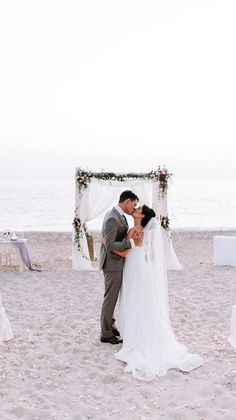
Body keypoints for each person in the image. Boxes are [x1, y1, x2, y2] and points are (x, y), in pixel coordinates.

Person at [114, 205, 204, 380]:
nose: (135, 209)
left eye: (138, 209)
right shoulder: (138, 229)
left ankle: (137, 335)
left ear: (142, 216)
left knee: (136, 301)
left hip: (136, 269)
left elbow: (125, 252)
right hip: (139, 268)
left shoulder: (137, 230)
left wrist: (107, 245)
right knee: (141, 302)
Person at [99, 190, 142, 345]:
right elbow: (110, 244)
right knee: (110, 299)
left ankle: (110, 325)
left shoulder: (119, 215)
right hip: (112, 263)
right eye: (134, 204)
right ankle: (106, 333)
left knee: (112, 297)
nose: (134, 208)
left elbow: (110, 239)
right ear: (127, 201)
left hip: (117, 261)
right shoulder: (112, 217)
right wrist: (131, 243)